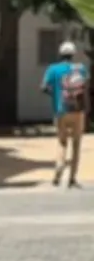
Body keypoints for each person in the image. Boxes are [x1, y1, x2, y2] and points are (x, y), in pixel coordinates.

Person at [42, 40, 90, 188]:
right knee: (76, 144)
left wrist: (55, 95)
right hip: (78, 111)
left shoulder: (53, 69)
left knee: (62, 142)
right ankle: (72, 179)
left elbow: (43, 87)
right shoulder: (81, 68)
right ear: (73, 54)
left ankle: (59, 170)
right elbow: (85, 86)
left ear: (60, 54)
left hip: (61, 110)